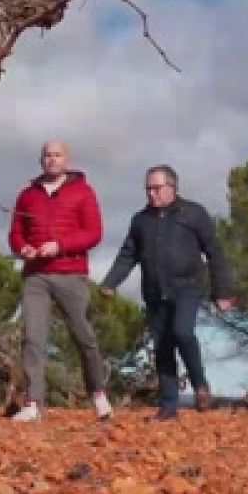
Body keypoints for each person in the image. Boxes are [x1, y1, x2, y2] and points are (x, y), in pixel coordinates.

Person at [100, 164, 237, 419]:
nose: (152, 194)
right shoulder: (140, 220)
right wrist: (110, 282)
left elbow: (215, 253)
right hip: (154, 291)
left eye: (157, 188)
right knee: (162, 346)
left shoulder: (193, 213)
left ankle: (200, 384)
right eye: (148, 189)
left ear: (172, 187)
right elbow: (128, 255)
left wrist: (222, 291)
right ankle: (169, 407)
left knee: (183, 333)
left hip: (187, 287)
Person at [7, 139, 113, 422]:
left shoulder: (83, 192)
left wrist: (60, 245)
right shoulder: (27, 195)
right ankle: (33, 403)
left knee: (84, 336)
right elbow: (15, 233)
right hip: (36, 276)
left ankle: (99, 395)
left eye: (57, 155)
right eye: (47, 155)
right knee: (33, 338)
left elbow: (94, 232)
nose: (52, 159)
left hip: (71, 273)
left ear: (67, 160)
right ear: (41, 160)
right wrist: (23, 248)